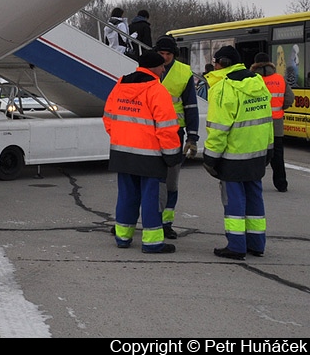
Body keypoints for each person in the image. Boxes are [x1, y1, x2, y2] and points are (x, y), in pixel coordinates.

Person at [103, 50, 182, 254]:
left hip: (122, 152)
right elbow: (166, 128)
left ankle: (123, 237)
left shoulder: (120, 84)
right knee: (151, 199)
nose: (164, 68)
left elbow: (108, 118)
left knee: (126, 196)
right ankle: (152, 242)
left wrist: (121, 137)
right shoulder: (157, 90)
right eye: (162, 66)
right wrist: (172, 154)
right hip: (150, 155)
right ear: (154, 68)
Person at [203, 45, 274, 260]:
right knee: (254, 198)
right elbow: (267, 119)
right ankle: (256, 243)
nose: (214, 65)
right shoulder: (258, 82)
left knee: (233, 200)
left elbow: (218, 127)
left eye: (215, 61)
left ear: (223, 63)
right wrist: (269, 149)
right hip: (257, 152)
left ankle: (236, 245)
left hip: (233, 156)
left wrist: (210, 157)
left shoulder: (223, 87)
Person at [153, 36, 199, 239]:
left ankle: (166, 223)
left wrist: (193, 137)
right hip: (149, 134)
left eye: (168, 55)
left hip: (173, 134)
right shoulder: (146, 68)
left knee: (171, 182)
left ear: (174, 55)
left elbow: (190, 106)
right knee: (147, 181)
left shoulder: (183, 72)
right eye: (161, 54)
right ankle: (131, 220)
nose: (164, 58)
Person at [251, 52, 294, 192]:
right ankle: (281, 184)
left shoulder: (252, 79)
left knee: (256, 154)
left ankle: (253, 182)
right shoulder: (280, 79)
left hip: (256, 124)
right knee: (277, 155)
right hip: (276, 124)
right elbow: (289, 98)